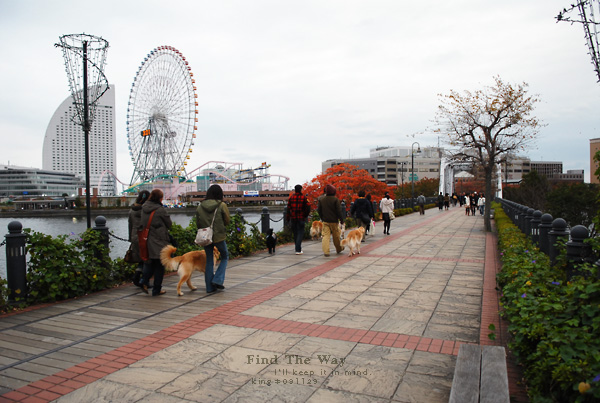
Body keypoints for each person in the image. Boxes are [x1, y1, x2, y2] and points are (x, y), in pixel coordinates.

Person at [196, 184, 231, 293]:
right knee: (225, 256)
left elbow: (198, 223)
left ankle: (209, 288)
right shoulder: (221, 205)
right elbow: (227, 221)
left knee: (209, 261)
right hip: (219, 236)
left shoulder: (200, 206)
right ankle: (218, 279)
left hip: (205, 237)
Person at [138, 189, 172, 296]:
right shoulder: (160, 209)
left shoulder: (144, 208)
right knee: (160, 266)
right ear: (160, 198)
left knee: (150, 262)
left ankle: (144, 280)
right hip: (159, 240)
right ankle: (157, 289)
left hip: (147, 239)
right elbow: (169, 224)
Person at [128, 190, 150, 286]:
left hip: (134, 236)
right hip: (144, 236)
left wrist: (130, 238)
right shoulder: (145, 210)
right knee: (147, 259)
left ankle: (137, 278)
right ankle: (144, 281)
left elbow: (130, 224)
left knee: (141, 258)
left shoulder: (132, 210)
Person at [317, 184, 345, 256]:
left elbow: (319, 210)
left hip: (325, 221)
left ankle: (326, 252)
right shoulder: (335, 200)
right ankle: (339, 248)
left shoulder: (321, 199)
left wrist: (322, 217)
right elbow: (339, 211)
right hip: (334, 221)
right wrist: (341, 220)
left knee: (325, 236)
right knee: (336, 236)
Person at [286, 184, 310, 255]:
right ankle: (298, 249)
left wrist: (288, 218)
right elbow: (308, 207)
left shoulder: (291, 198)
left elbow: (288, 209)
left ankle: (297, 247)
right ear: (301, 189)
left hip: (293, 218)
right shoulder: (304, 198)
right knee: (300, 233)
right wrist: (305, 215)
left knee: (295, 233)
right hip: (301, 217)